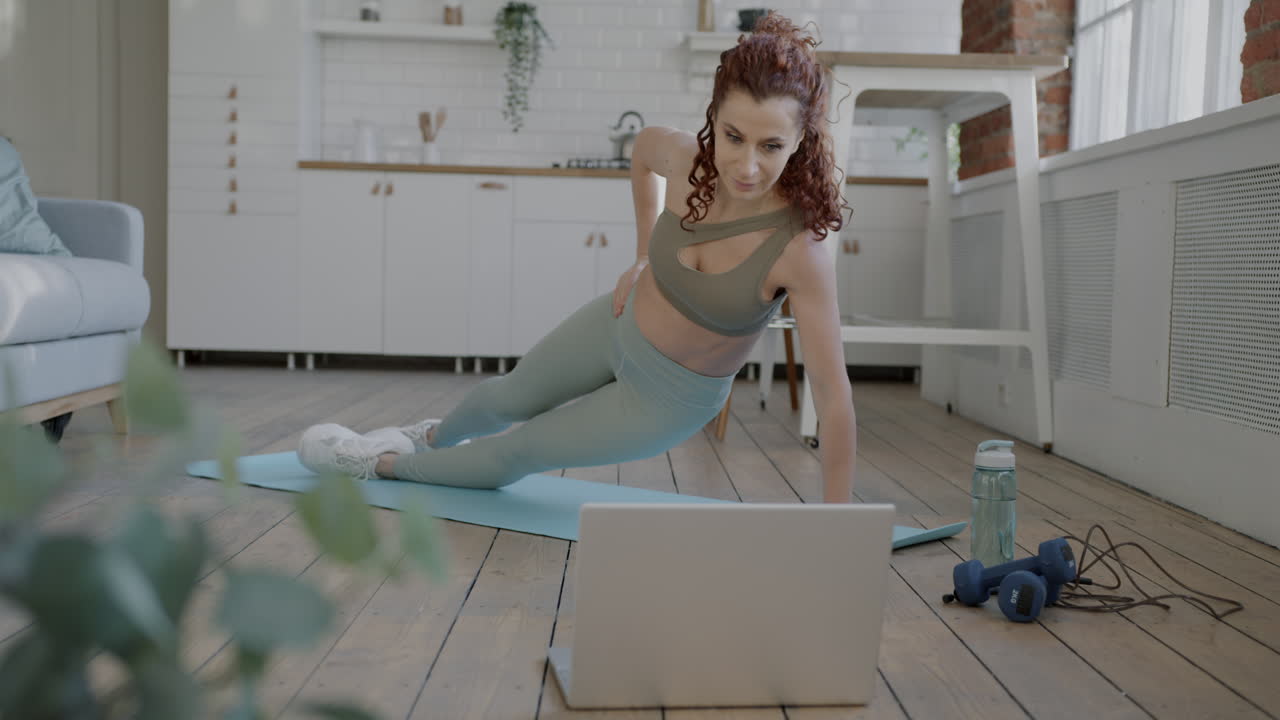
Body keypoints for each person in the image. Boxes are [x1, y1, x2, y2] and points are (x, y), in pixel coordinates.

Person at [299, 12, 857, 503]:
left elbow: (832, 399)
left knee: (515, 453)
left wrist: (836, 524)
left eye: (771, 147)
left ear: (801, 139)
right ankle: (429, 437)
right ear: (715, 116)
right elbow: (642, 153)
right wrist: (643, 256)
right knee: (505, 395)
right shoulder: (687, 158)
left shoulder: (799, 251)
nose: (747, 166)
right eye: (733, 137)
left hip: (667, 399)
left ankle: (377, 466)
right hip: (620, 321)